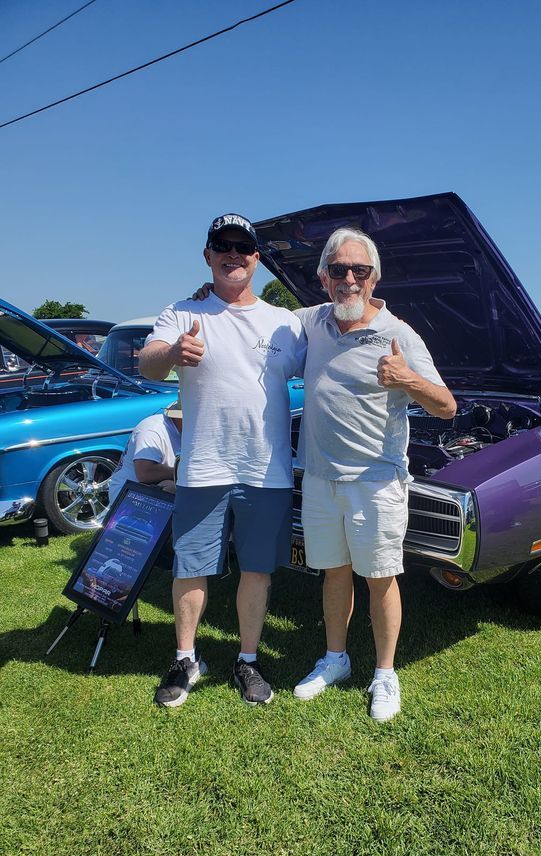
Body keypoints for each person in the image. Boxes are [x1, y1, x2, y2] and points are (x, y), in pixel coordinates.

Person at [138, 214, 306, 709]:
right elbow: (147, 362)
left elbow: (325, 365)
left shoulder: (285, 321)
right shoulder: (184, 311)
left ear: (257, 258)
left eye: (244, 247)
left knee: (258, 569)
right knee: (190, 568)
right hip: (203, 467)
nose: (234, 254)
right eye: (223, 245)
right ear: (208, 255)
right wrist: (171, 351)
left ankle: (247, 660)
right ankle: (186, 658)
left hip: (266, 470)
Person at [293, 228, 456, 721]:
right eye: (339, 270)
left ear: (374, 277)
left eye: (358, 271)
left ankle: (385, 674)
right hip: (320, 477)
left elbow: (447, 407)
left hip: (376, 481)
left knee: (381, 578)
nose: (348, 280)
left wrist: (405, 378)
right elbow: (254, 319)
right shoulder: (312, 322)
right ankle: (336, 659)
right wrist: (206, 298)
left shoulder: (398, 334)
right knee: (333, 572)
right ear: (323, 278)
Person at [107, 399, 182, 504]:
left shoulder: (188, 431)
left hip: (150, 487)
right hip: (129, 493)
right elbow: (144, 473)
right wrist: (182, 472)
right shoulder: (153, 430)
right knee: (170, 487)